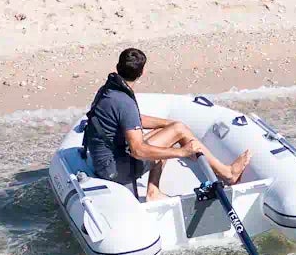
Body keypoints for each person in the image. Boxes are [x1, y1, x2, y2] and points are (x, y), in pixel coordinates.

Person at [81, 47, 251, 200]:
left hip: (104, 161)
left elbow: (133, 120)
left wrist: (169, 125)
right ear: (142, 73)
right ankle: (228, 174)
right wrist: (182, 152)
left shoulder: (109, 90)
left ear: (118, 67)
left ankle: (153, 192)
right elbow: (138, 150)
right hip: (115, 169)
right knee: (175, 134)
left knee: (175, 130)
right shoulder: (124, 101)